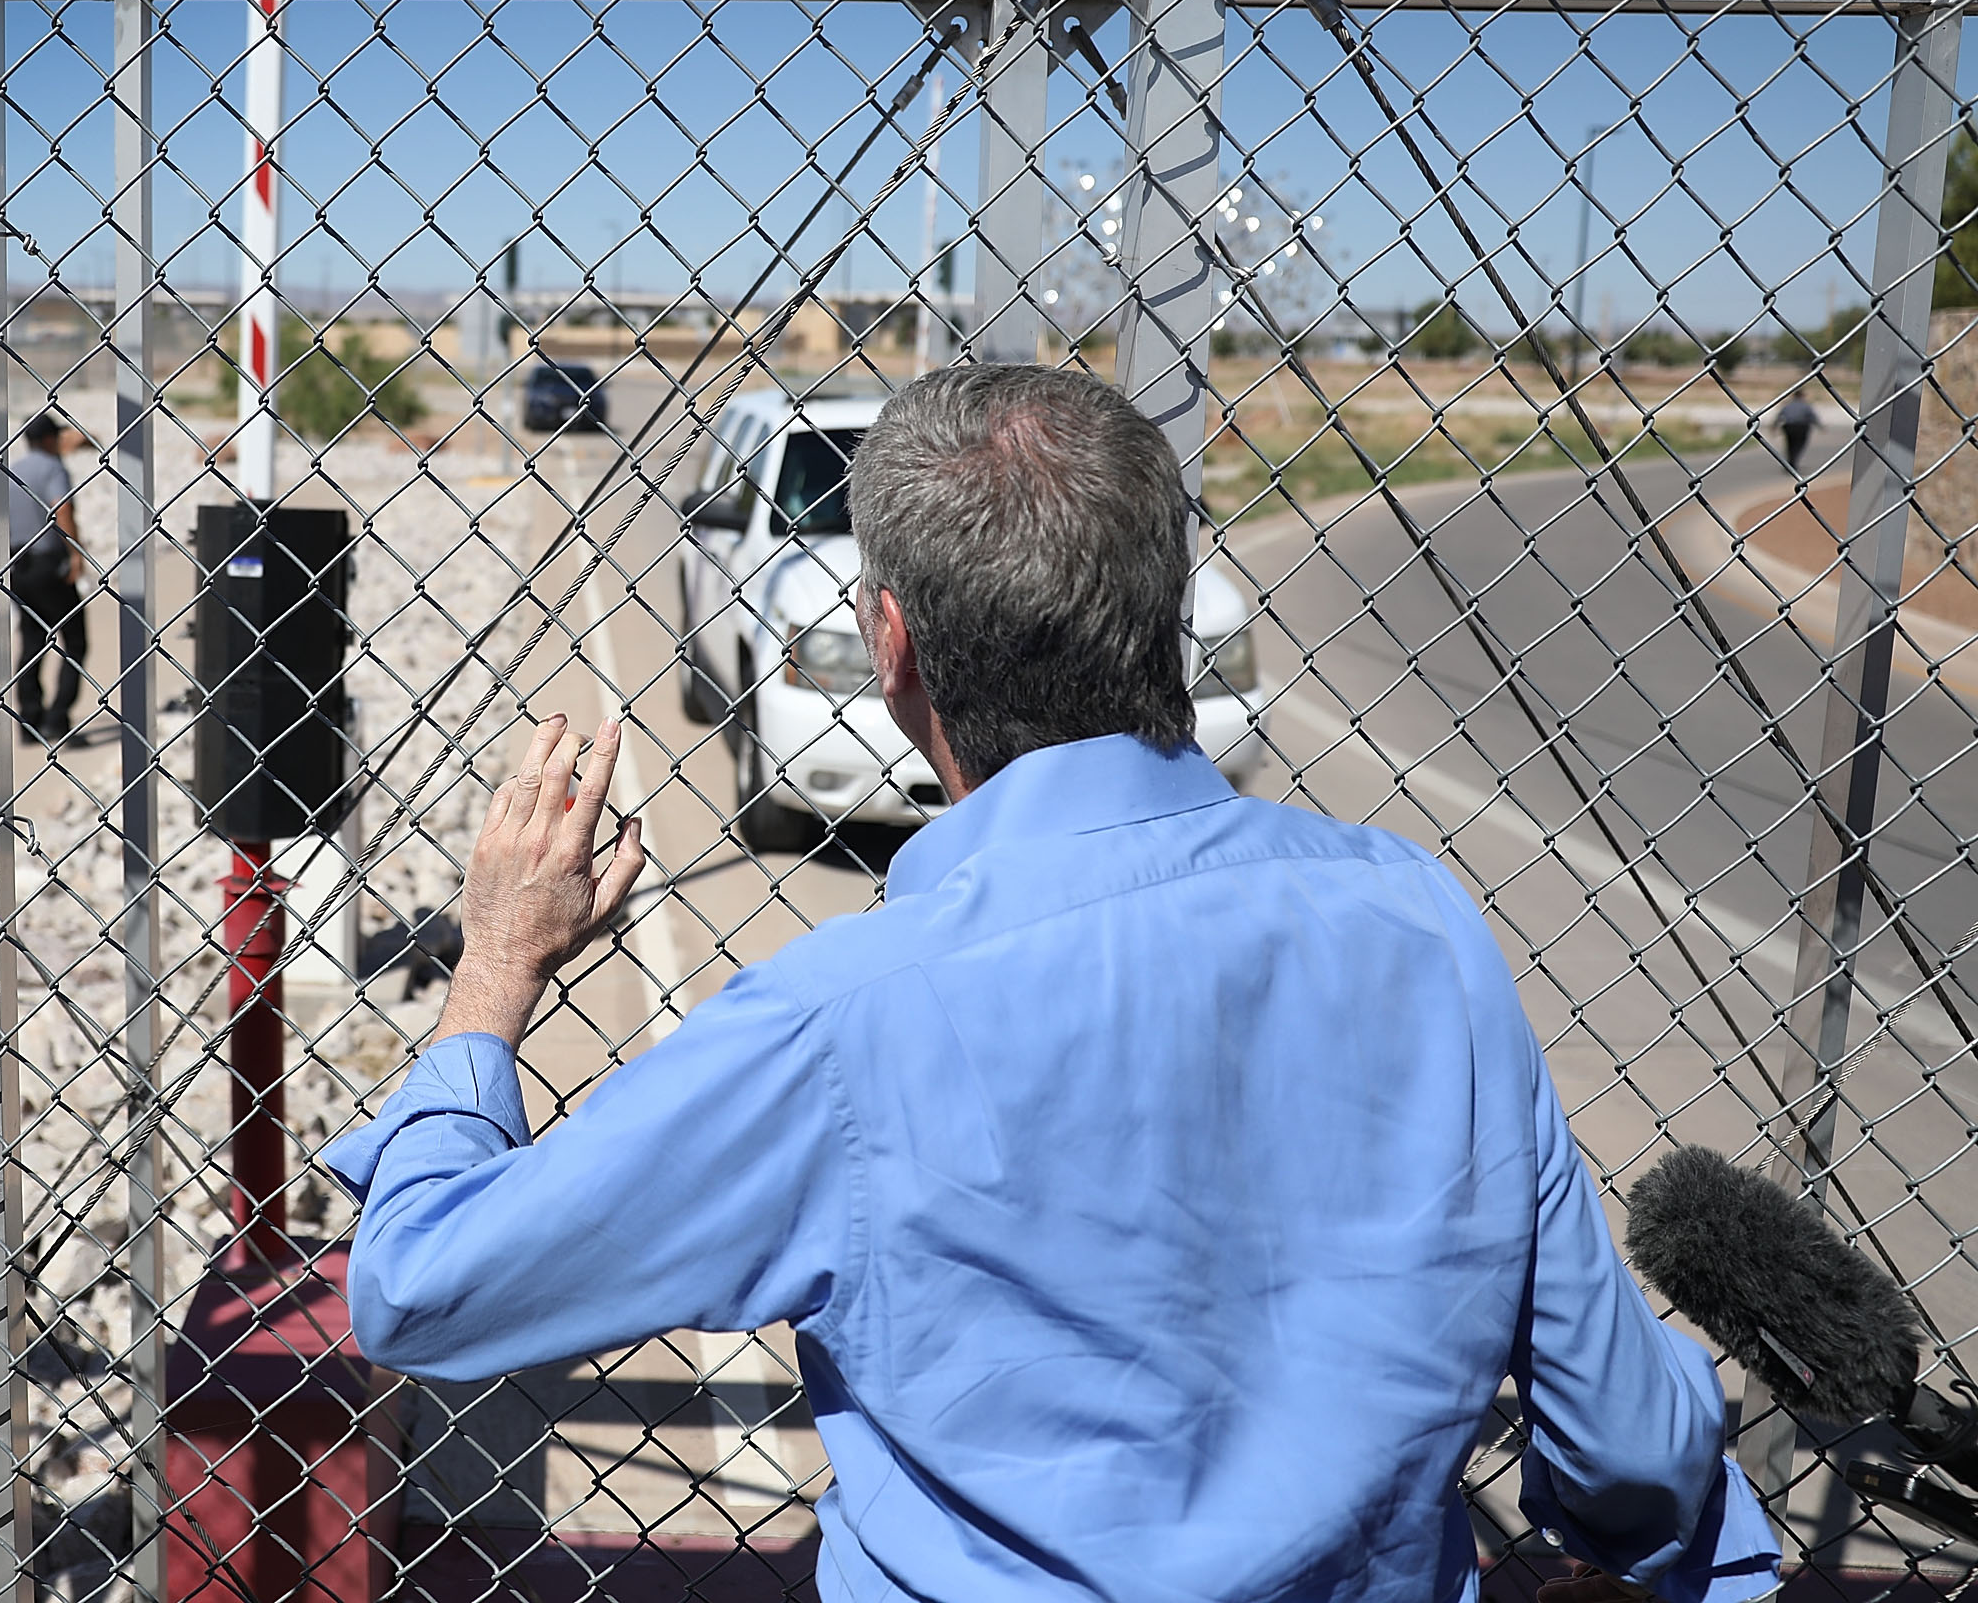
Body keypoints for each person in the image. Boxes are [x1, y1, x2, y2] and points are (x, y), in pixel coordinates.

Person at [325, 364, 1776, 1603]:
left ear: (892, 648)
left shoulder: (847, 1022)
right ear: (1170, 610)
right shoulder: (1419, 923)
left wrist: (497, 969)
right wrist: (1643, 1538)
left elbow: (423, 1290)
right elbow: (1633, 1446)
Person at [7, 410, 88, 744]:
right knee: (76, 641)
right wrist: (74, 552)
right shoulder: (53, 468)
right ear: (45, 439)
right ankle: (57, 719)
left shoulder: (11, 470)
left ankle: (29, 719)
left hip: (17, 564)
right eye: (56, 435)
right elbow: (62, 508)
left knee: (31, 641)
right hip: (47, 561)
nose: (60, 441)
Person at [1777, 386, 1819, 473]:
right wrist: (1820, 426)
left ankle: (1790, 462)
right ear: (1801, 396)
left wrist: (1773, 427)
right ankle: (1793, 462)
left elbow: (1780, 416)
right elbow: (1812, 417)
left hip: (1789, 427)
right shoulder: (1806, 406)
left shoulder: (1788, 405)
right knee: (1799, 445)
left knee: (1790, 445)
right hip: (1801, 427)